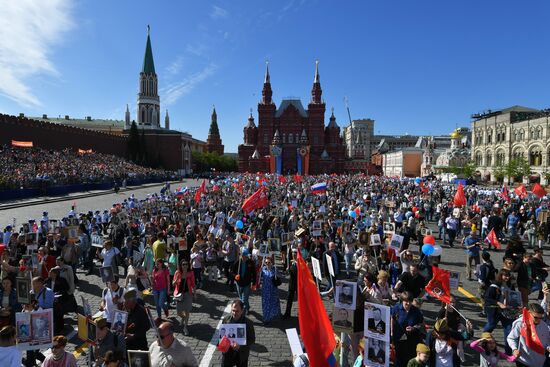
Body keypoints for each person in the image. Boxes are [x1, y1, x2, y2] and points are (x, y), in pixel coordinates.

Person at [507, 302, 550, 367]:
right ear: (529, 313)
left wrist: (548, 347)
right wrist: (515, 349)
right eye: (535, 317)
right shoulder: (520, 323)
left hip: (540, 362)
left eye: (540, 318)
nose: (538, 321)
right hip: (524, 361)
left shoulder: (544, 326)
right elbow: (511, 338)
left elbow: (547, 342)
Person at [391, 292, 424, 367]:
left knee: (410, 360)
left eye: (410, 301)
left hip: (411, 341)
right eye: (406, 301)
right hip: (399, 339)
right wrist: (392, 332)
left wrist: (414, 328)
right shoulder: (396, 308)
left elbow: (421, 324)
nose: (408, 303)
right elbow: (392, 319)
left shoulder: (416, 311)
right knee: (399, 359)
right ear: (402, 300)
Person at [221, 299, 255, 367]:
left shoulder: (248, 323)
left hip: (241, 355)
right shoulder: (226, 319)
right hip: (228, 353)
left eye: (237, 311)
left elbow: (252, 339)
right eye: (233, 310)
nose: (234, 313)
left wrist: (240, 346)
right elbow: (222, 335)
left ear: (242, 311)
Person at [172, 260, 195, 336]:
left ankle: (185, 327)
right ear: (181, 265)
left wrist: (195, 293)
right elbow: (173, 284)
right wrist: (176, 280)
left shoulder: (190, 273)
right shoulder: (177, 272)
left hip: (188, 294)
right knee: (178, 312)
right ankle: (183, 318)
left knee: (187, 311)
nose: (185, 266)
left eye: (186, 264)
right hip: (179, 294)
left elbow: (193, 284)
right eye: (183, 264)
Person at [231, 249, 256, 314]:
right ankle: (247, 306)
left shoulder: (251, 262)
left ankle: (244, 309)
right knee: (241, 297)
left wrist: (254, 283)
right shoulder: (237, 262)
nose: (245, 258)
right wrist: (235, 276)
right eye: (243, 256)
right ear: (241, 255)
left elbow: (254, 273)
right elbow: (232, 271)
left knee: (244, 299)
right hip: (238, 283)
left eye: (246, 256)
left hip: (247, 283)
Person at [259, 256, 281, 324]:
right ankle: (266, 319)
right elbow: (258, 278)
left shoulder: (274, 269)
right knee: (265, 304)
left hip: (273, 290)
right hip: (265, 290)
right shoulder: (263, 269)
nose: (267, 264)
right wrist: (258, 272)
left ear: (271, 263)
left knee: (273, 303)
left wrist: (277, 275)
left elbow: (279, 278)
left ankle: (273, 315)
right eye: (266, 262)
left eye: (269, 262)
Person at [283, 248, 298, 319]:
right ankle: (287, 313)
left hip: (298, 284)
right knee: (289, 299)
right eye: (292, 252)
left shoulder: (300, 262)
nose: (294, 254)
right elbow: (288, 273)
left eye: (295, 253)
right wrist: (287, 270)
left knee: (300, 300)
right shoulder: (290, 261)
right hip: (291, 283)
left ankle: (301, 314)